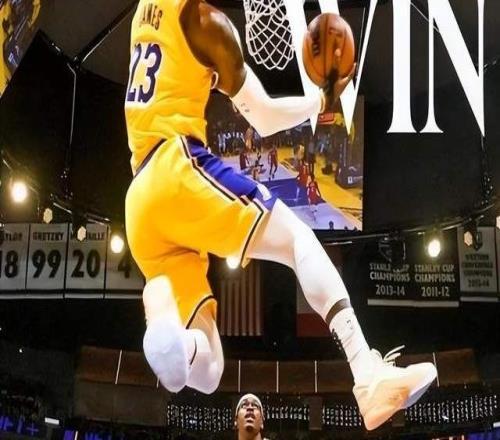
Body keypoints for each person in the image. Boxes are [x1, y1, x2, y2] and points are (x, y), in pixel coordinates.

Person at [124, 0, 436, 431]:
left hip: (139, 203)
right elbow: (264, 118)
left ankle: (168, 331)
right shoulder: (207, 23)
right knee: (298, 240)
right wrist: (320, 102)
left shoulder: (143, 14)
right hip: (175, 169)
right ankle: (366, 373)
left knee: (209, 371)